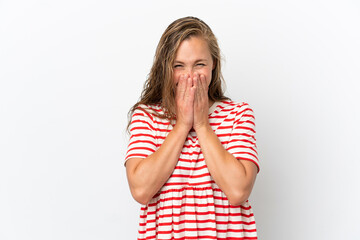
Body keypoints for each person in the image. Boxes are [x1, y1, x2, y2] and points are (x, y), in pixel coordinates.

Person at [124, 16, 260, 239]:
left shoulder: (238, 115)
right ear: (165, 68)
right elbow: (140, 190)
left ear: (213, 63)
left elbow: (238, 191)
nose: (190, 77)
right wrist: (183, 125)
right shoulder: (147, 116)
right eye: (179, 66)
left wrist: (202, 125)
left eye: (200, 64)